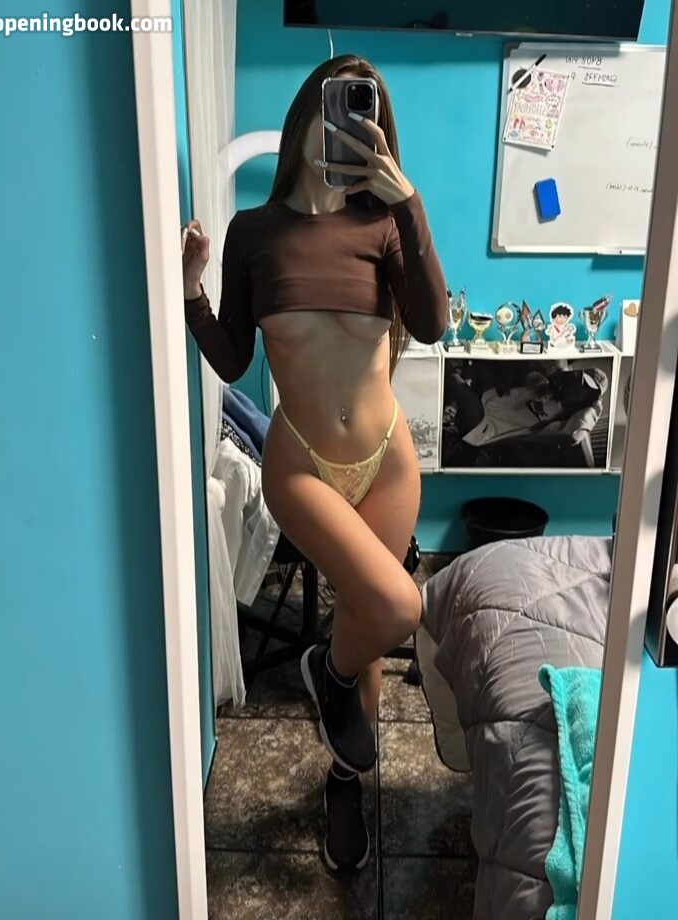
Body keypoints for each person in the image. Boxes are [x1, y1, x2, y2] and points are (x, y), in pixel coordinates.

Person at [181, 54, 447, 873]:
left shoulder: (383, 224)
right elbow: (233, 359)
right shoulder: (253, 233)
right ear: (307, 117)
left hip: (387, 457)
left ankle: (343, 779)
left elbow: (433, 323)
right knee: (396, 605)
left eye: (366, 117)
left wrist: (408, 202)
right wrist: (191, 291)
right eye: (339, 111)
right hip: (300, 460)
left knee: (365, 620)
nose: (349, 129)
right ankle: (325, 674)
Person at [444, 362, 608, 464]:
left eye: (586, 388)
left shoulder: (565, 421)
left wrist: (596, 405)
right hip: (485, 401)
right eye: (580, 380)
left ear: (589, 399)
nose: (578, 386)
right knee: (476, 366)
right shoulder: (543, 386)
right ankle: (453, 407)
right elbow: (525, 369)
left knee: (454, 380)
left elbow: (575, 435)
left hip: (486, 427)